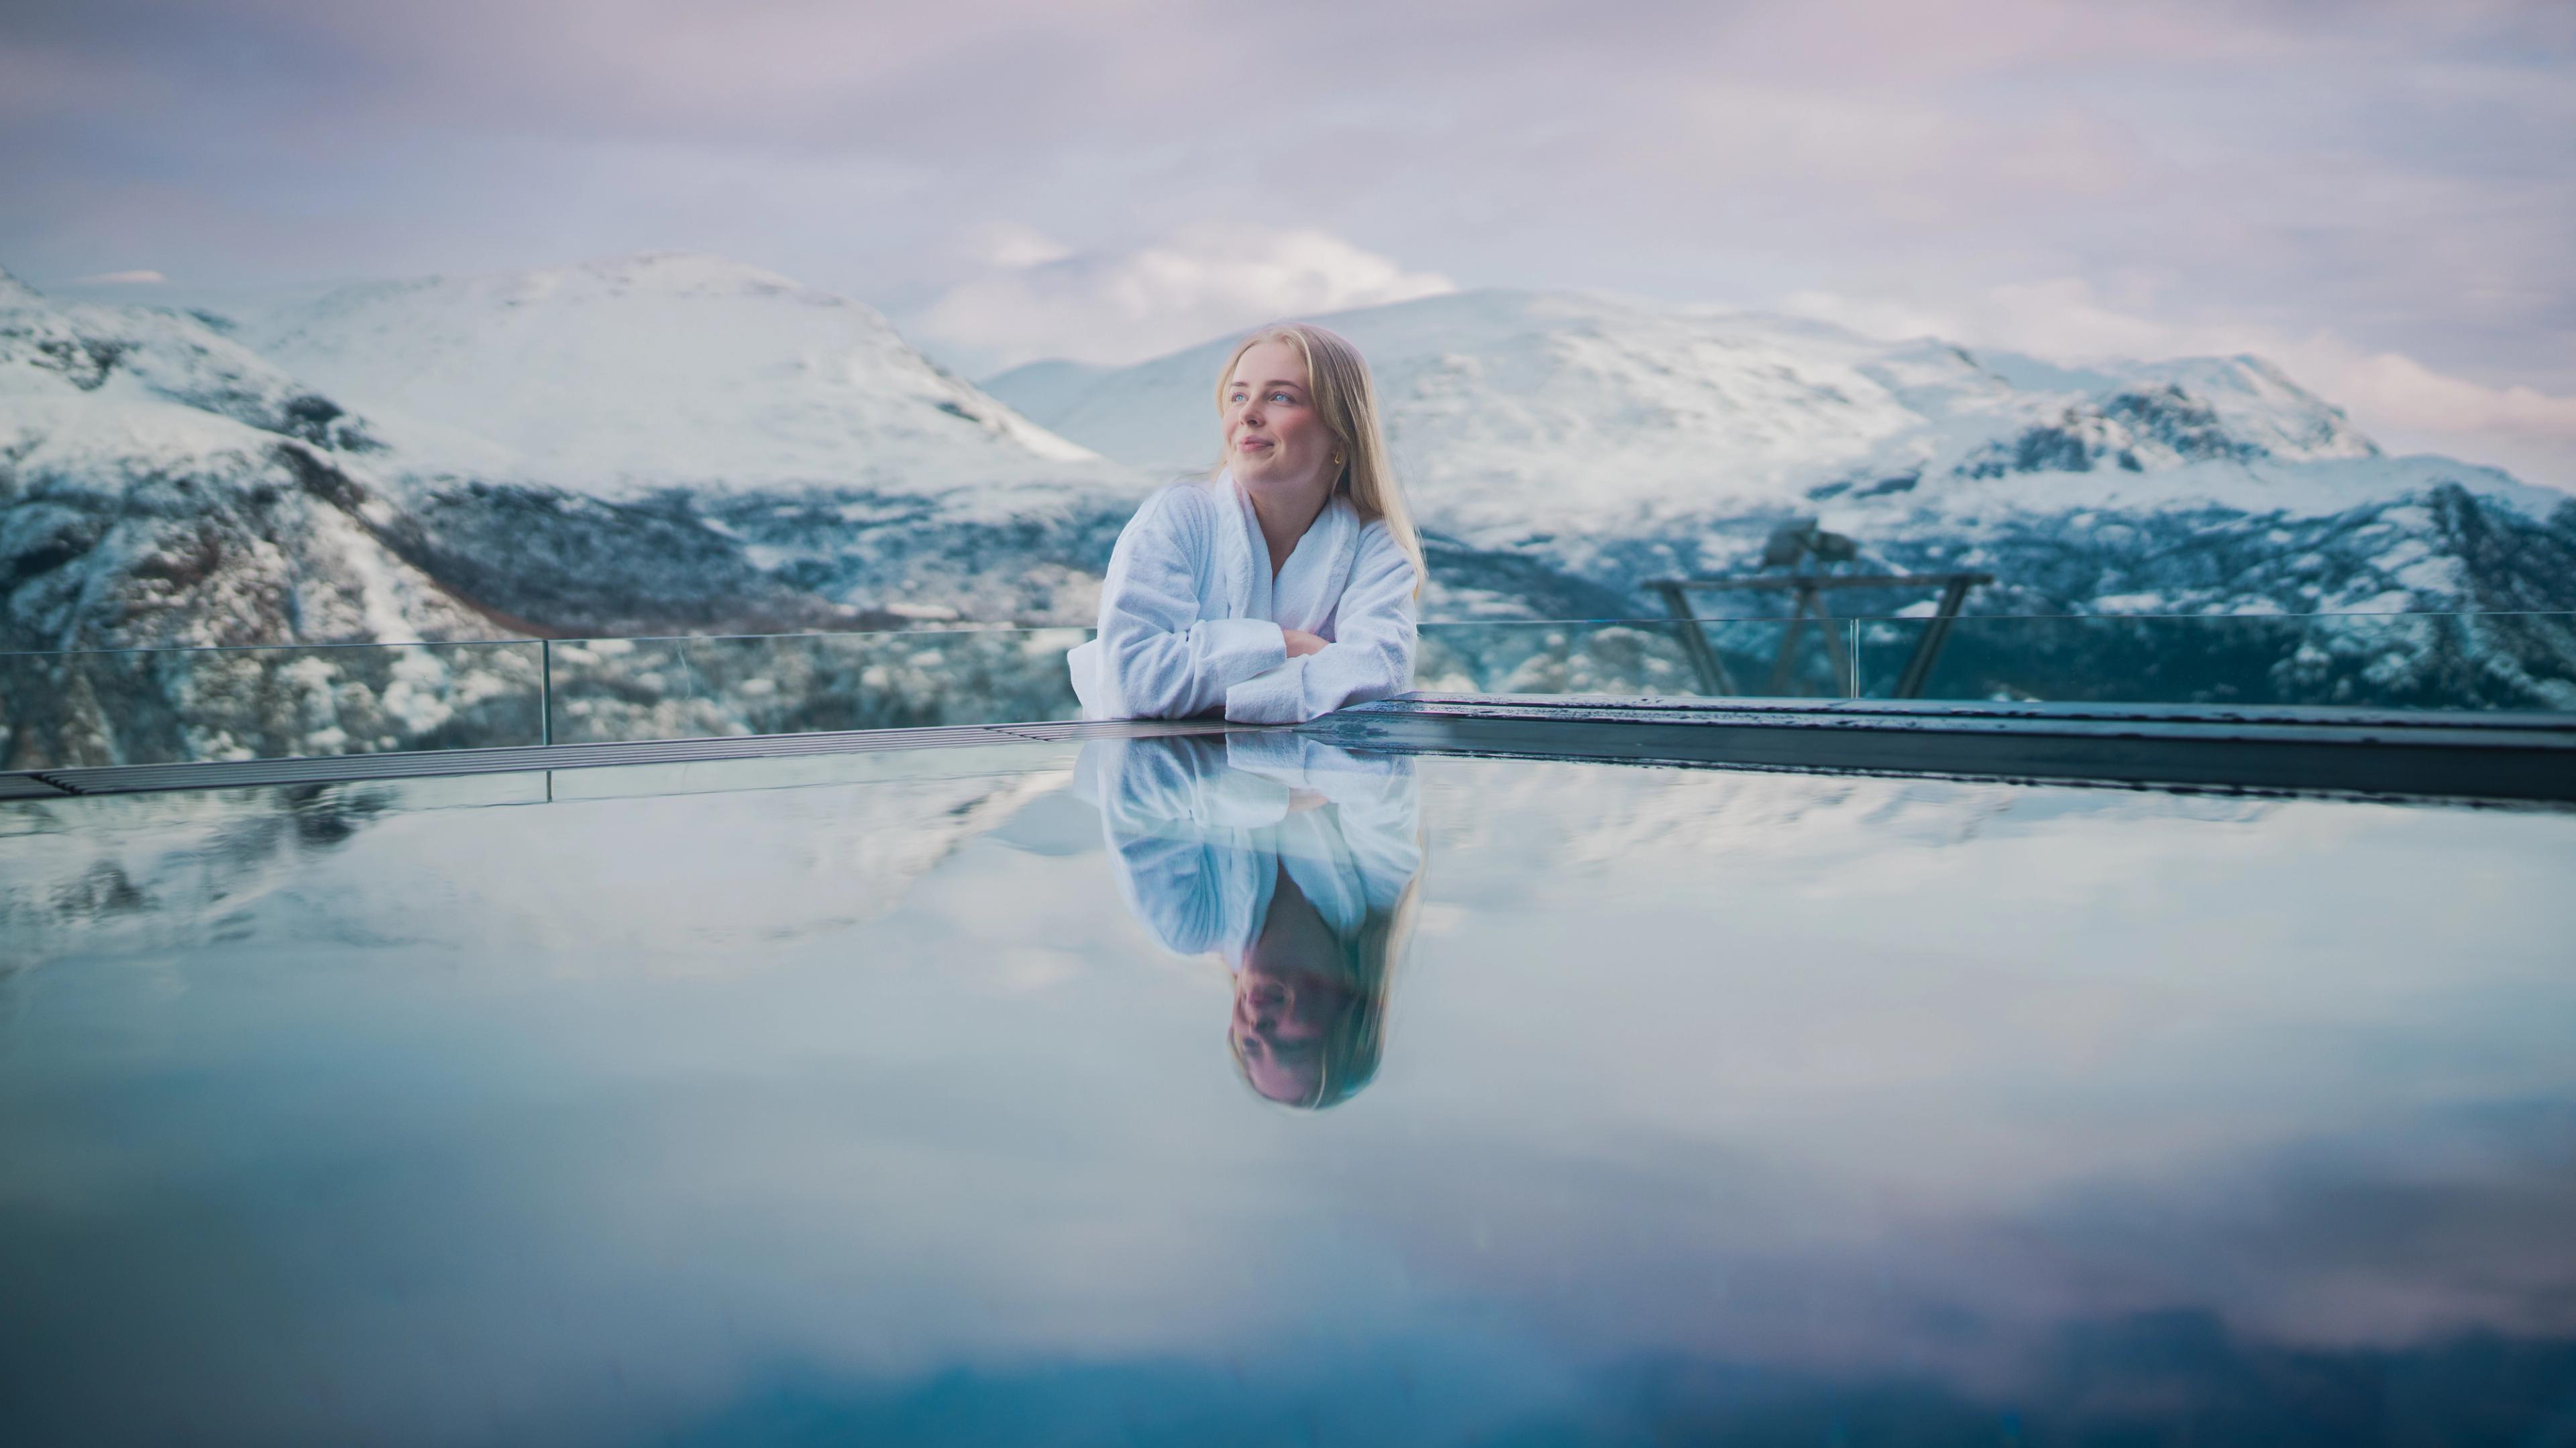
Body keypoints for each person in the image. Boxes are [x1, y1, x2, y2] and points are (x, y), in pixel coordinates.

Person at [1066, 323, 1426, 724]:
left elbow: (1379, 685)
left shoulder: (1374, 544)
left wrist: (1212, 696)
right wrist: (1286, 646)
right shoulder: (1178, 518)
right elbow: (1134, 683)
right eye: (1238, 396)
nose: (1248, 414)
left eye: (1280, 397)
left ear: (1340, 435)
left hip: (1316, 782)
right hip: (1164, 777)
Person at [1077, 732, 1424, 1109]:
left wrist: (1277, 797)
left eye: (1249, 1046)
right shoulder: (1380, 883)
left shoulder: (1188, 922)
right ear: (1349, 1010)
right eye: (1291, 1047)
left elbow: (1134, 770)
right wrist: (1207, 775)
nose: (1258, 1030)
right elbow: (1376, 762)